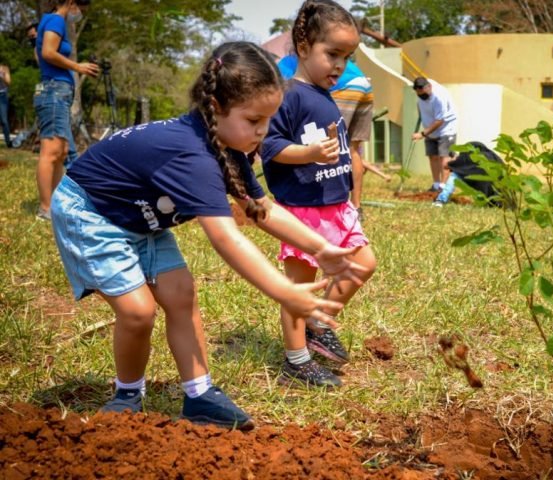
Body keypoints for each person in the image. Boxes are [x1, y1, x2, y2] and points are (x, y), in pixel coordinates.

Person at [50, 41, 366, 429]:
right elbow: (227, 238)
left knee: (181, 293)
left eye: (269, 121)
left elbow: (261, 209)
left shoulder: (227, 145)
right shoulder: (192, 155)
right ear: (216, 106)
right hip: (93, 213)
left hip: (140, 217)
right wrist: (285, 292)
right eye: (254, 121)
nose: (262, 132)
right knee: (138, 312)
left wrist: (321, 248)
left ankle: (199, 395)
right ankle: (127, 395)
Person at [261, 0, 377, 388]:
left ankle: (316, 321)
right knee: (300, 286)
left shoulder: (327, 96)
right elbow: (269, 147)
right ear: (303, 44)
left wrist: (350, 198)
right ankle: (297, 359)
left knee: (363, 264)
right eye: (332, 54)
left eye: (347, 57)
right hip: (302, 210)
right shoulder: (288, 95)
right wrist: (309, 153)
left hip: (336, 208)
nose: (340, 65)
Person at [277, 55, 389, 220]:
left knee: (331, 142)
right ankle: (356, 208)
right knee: (352, 149)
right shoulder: (316, 54)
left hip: (343, 87)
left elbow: (283, 97)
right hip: (363, 84)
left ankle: (328, 202)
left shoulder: (285, 65)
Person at [34, 0, 99, 220]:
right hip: (53, 91)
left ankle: (54, 203)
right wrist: (77, 66)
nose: (79, 13)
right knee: (51, 151)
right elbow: (48, 52)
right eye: (81, 8)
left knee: (61, 151)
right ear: (71, 3)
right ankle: (45, 208)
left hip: (57, 91)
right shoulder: (56, 20)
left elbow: (41, 53)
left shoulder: (49, 21)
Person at [410, 76, 458, 192]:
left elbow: (440, 120)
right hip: (430, 129)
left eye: (423, 92)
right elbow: (420, 105)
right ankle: (436, 184)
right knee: (432, 156)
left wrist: (422, 133)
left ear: (429, 87)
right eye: (418, 93)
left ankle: (443, 186)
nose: (421, 95)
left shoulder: (439, 97)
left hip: (446, 128)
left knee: (444, 157)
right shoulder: (421, 92)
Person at [432, 141, 503, 207]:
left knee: (454, 175)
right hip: (498, 197)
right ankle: (498, 203)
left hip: (481, 186)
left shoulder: (466, 158)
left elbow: (447, 165)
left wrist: (453, 162)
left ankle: (441, 200)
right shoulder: (494, 157)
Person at [0, 64, 11, 148]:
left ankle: (8, 142)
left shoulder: (4, 68)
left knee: (4, 120)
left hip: (2, 96)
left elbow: (8, 82)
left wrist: (1, 76)